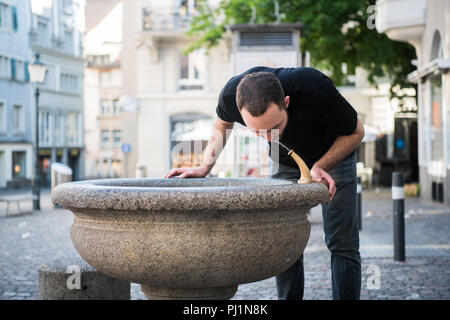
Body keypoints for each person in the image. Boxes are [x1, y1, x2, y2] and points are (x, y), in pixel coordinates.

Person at [164, 66, 365, 300]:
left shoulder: (314, 87)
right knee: (285, 242)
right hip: (285, 163)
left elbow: (356, 132)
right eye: (259, 132)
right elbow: (221, 124)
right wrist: (204, 166)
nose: (269, 138)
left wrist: (321, 166)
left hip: (333, 157)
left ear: (286, 102)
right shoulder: (231, 95)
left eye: (274, 127)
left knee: (342, 242)